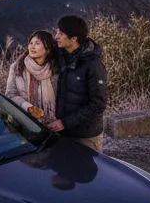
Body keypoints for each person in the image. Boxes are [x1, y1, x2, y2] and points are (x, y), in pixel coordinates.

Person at [46, 15, 108, 152]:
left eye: (61, 33)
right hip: (63, 132)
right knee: (64, 171)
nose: (56, 36)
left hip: (85, 135)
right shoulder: (62, 54)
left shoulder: (93, 64)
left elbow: (99, 103)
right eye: (57, 32)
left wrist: (66, 123)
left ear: (74, 38)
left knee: (86, 171)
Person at [5, 30, 59, 122]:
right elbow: (10, 95)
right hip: (25, 121)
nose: (32, 46)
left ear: (48, 49)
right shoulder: (17, 67)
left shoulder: (56, 68)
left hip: (55, 123)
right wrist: (28, 108)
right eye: (31, 43)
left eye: (37, 43)